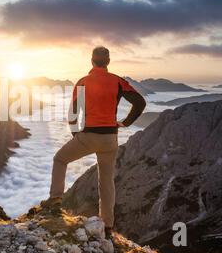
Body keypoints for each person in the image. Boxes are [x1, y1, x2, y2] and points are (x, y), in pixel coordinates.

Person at [40, 46, 146, 237]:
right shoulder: (118, 81)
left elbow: (74, 112)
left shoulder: (83, 82)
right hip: (110, 139)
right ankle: (107, 225)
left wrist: (75, 133)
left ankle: (55, 201)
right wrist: (125, 123)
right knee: (106, 181)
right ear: (108, 61)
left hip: (88, 136)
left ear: (91, 61)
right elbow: (140, 103)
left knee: (60, 159)